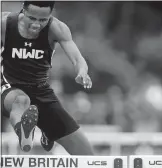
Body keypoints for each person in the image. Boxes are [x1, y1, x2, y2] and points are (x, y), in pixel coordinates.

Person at [1, 1, 94, 155]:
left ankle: (46, 129)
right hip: (8, 86)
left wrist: (82, 72)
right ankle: (25, 132)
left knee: (85, 153)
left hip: (40, 91)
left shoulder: (57, 28)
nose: (36, 25)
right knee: (21, 101)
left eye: (42, 20)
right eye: (32, 18)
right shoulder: (4, 24)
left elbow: (77, 59)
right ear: (22, 11)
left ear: (50, 15)